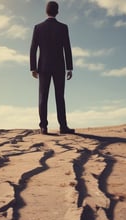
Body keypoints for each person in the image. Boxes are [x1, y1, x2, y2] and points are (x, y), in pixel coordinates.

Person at [30, 1, 75, 135]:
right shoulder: (63, 27)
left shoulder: (38, 27)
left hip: (43, 66)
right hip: (59, 66)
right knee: (60, 96)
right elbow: (67, 48)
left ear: (46, 11)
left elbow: (33, 48)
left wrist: (33, 67)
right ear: (57, 11)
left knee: (43, 96)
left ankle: (43, 127)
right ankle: (63, 126)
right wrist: (69, 67)